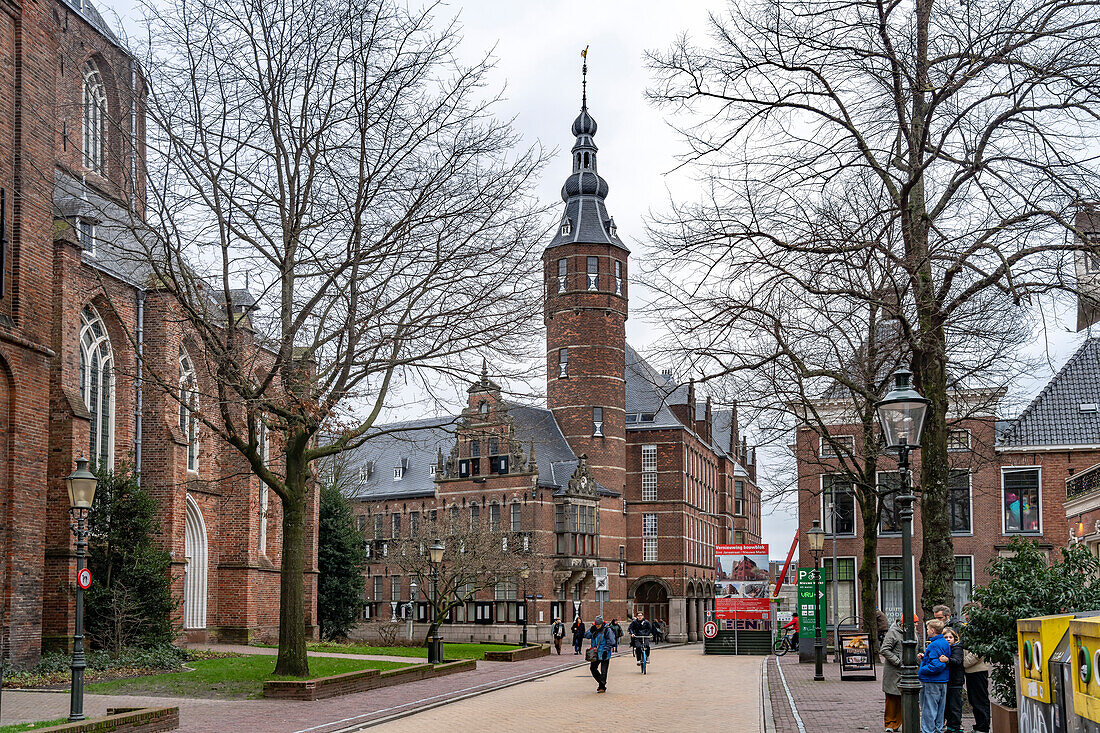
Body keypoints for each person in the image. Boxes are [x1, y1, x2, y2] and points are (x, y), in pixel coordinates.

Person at [918, 618, 951, 733]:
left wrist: (922, 670)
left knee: (929, 708)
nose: (926, 631)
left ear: (932, 630)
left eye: (927, 629)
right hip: (943, 680)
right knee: (940, 708)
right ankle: (938, 729)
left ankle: (928, 731)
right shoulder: (944, 642)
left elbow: (936, 665)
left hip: (931, 680)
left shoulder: (933, 645)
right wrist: (925, 658)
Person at [961, 605, 991, 733]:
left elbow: (979, 651)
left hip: (977, 670)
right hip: (972, 670)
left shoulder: (979, 629)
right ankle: (979, 725)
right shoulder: (972, 627)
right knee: (975, 699)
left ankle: (983, 727)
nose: (965, 616)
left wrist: (964, 662)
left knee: (979, 699)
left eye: (967, 613)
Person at [880, 614, 903, 733]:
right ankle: (889, 724)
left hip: (906, 672)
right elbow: (884, 649)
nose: (916, 625)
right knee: (891, 698)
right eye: (914, 623)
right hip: (893, 671)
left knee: (902, 698)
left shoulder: (913, 633)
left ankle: (897, 723)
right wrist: (897, 661)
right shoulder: (893, 632)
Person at [584, 615, 616, 693]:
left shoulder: (607, 630)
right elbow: (586, 636)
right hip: (595, 653)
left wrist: (606, 650)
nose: (597, 626)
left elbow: (611, 641)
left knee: (603, 671)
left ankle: (601, 686)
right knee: (593, 668)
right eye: (596, 624)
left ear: (602, 623)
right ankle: (602, 683)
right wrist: (591, 630)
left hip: (604, 652)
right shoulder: (594, 629)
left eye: (598, 625)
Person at [944, 627, 966, 733]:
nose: (948, 639)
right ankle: (950, 726)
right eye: (946, 637)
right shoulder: (944, 648)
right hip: (948, 681)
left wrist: (947, 660)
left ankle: (956, 727)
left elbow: (957, 661)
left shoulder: (957, 648)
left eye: (950, 637)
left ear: (955, 638)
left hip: (956, 681)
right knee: (948, 706)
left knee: (955, 706)